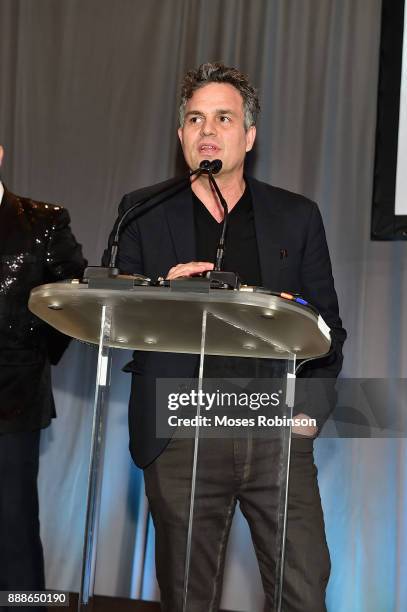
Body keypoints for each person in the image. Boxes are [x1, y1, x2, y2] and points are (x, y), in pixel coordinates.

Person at [104, 63, 346, 611]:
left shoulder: (296, 216)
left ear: (249, 135)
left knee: (304, 589)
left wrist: (306, 415)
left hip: (272, 425)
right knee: (188, 597)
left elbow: (328, 329)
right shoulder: (142, 212)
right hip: (181, 422)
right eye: (195, 118)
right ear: (181, 134)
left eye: (223, 118)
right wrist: (161, 293)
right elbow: (113, 318)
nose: (207, 130)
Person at [0, 144, 86, 610]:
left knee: (12, 527)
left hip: (13, 400)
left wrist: (30, 358)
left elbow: (70, 301)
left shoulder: (42, 221)